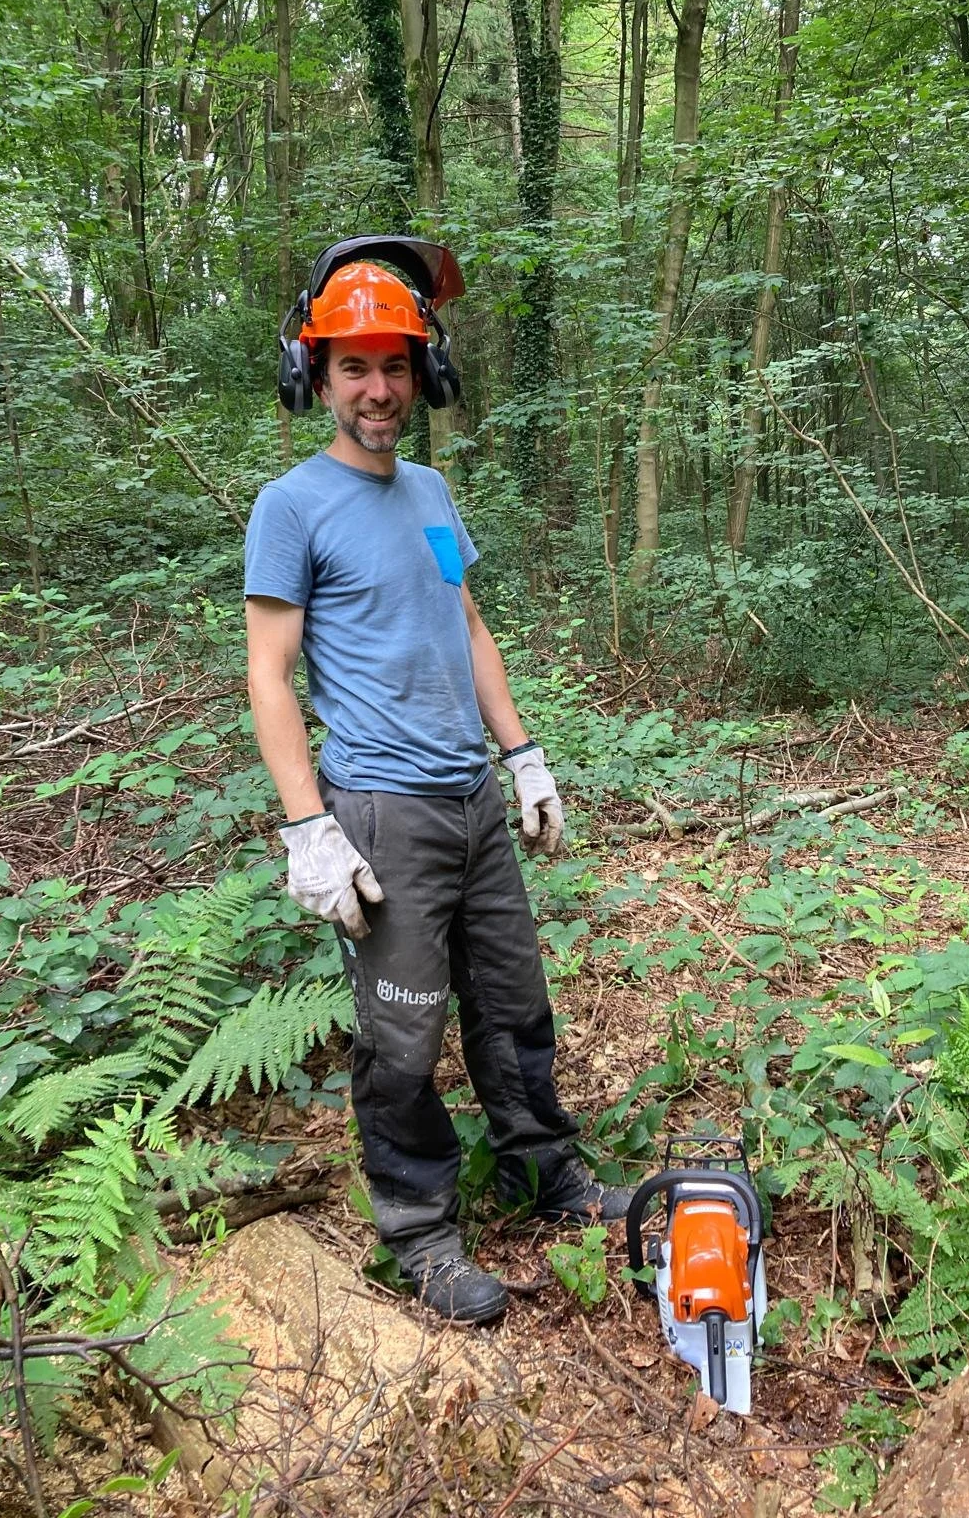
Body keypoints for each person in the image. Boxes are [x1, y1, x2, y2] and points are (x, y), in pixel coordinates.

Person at [244, 253, 631, 1324]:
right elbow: (269, 677)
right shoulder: (291, 506)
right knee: (402, 1036)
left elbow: (465, 626)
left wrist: (524, 755)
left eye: (395, 367)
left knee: (513, 1007)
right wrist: (308, 831)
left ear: (425, 374)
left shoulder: (432, 491)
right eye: (354, 367)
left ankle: (545, 1172)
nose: (378, 390)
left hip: (471, 802)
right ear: (315, 376)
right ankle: (419, 1231)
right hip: (381, 811)